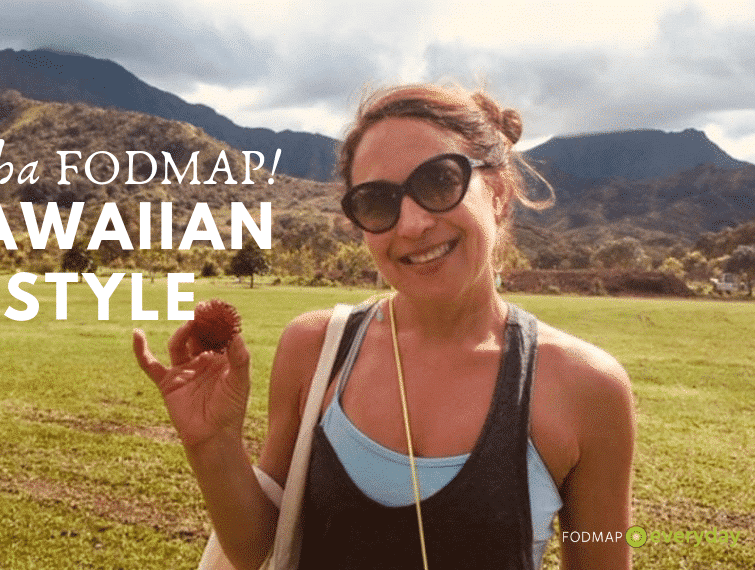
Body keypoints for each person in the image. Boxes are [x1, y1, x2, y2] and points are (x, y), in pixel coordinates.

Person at [133, 84, 636, 570]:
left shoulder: (587, 387)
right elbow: (253, 549)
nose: (412, 224)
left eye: (440, 181)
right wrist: (214, 442)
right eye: (377, 202)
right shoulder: (315, 348)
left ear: (499, 191)